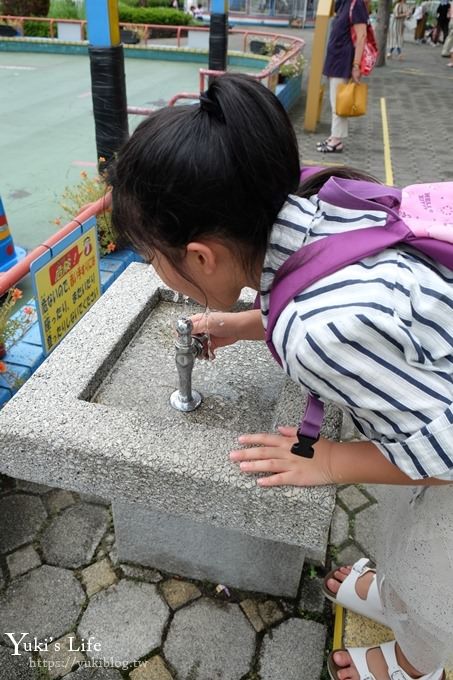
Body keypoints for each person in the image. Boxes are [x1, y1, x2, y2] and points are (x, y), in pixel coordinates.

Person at [109, 73, 453, 680]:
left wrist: (327, 462)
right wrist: (247, 324)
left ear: (200, 258)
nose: (153, 268)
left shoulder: (314, 334)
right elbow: (313, 275)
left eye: (150, 256)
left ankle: (413, 655)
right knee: (401, 528)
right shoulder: (311, 200)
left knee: (436, 576)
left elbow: (443, 457)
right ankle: (394, 594)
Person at [317, 0, 369, 154]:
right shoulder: (343, 3)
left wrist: (356, 65)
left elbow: (362, 36)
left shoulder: (356, 4)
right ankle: (334, 136)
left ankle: (336, 141)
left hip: (343, 59)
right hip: (336, 58)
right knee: (335, 100)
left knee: (338, 101)